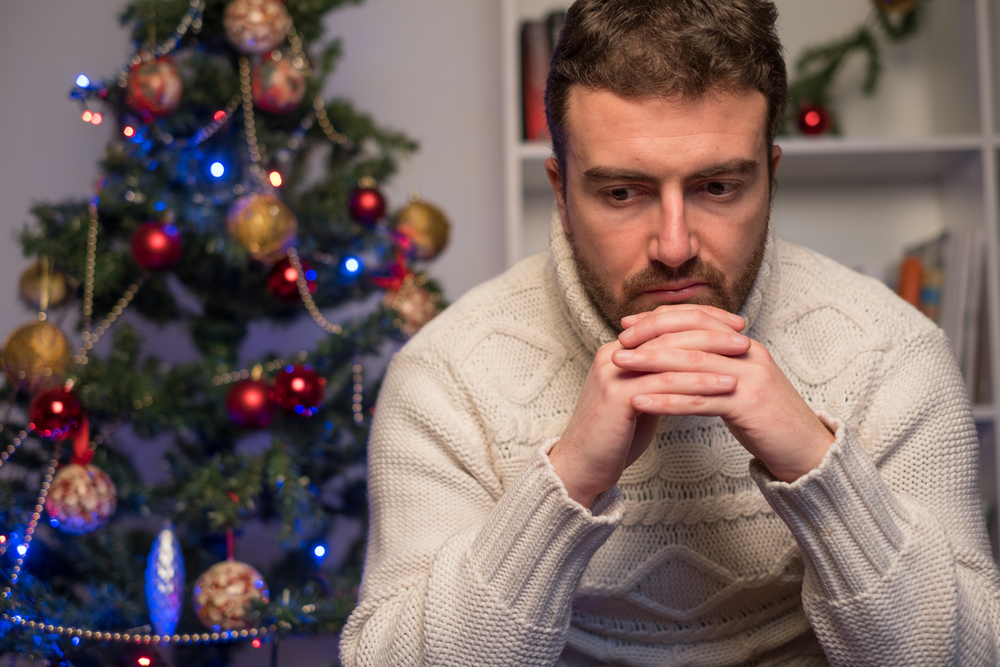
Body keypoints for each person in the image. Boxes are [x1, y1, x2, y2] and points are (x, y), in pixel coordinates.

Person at [340, 1, 1000, 664]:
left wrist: (816, 465)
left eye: (718, 186)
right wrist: (568, 479)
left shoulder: (893, 353)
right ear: (561, 192)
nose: (675, 246)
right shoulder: (444, 377)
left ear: (771, 178)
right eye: (622, 193)